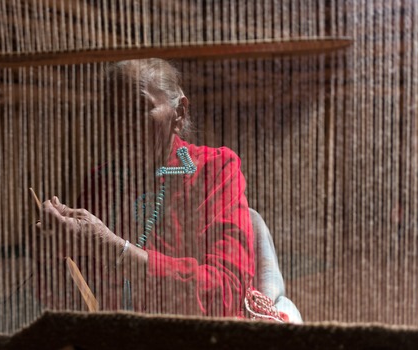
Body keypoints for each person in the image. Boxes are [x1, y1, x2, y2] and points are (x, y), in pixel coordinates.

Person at [37, 58, 301, 322]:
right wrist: (53, 253)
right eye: (112, 112)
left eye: (139, 108)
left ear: (179, 113)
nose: (122, 125)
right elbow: (72, 299)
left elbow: (225, 294)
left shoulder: (216, 171)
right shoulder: (100, 183)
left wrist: (114, 248)